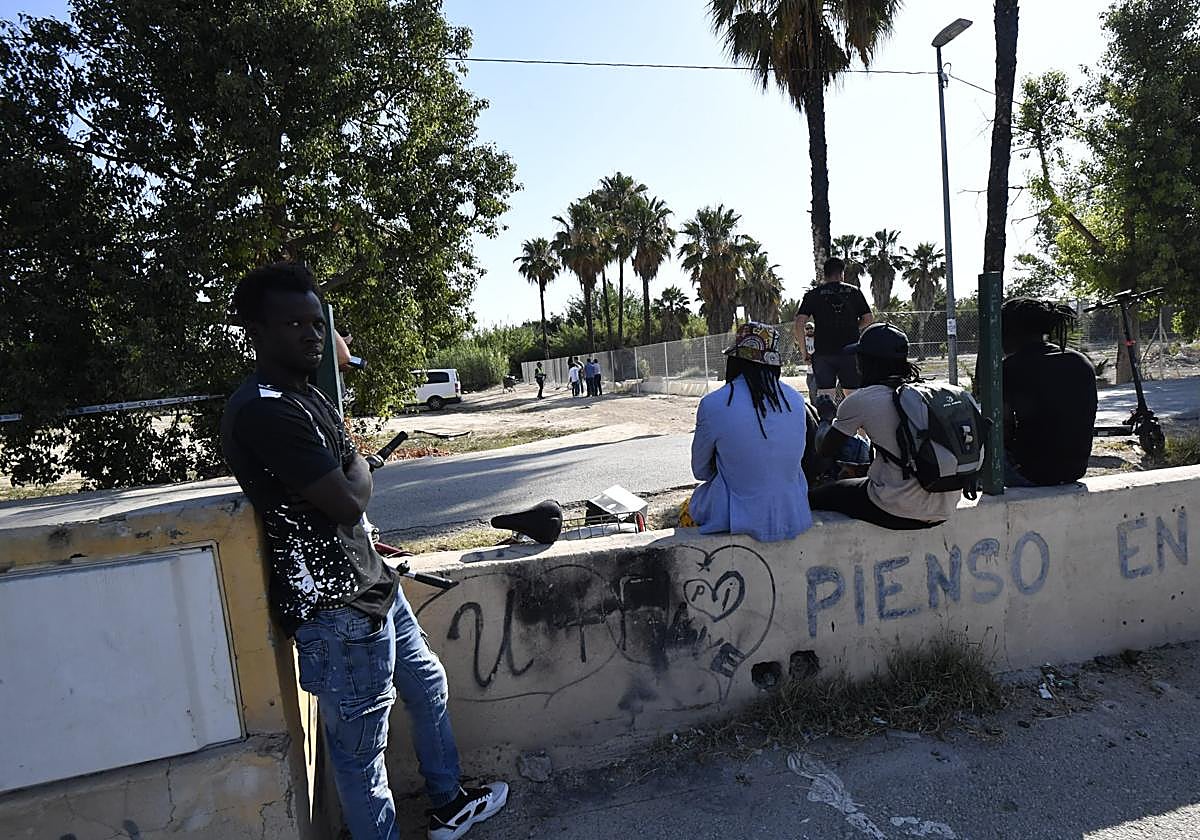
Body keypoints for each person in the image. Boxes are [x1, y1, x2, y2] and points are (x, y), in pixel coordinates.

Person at [220, 262, 507, 840]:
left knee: (427, 684)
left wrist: (350, 468)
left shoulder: (307, 395)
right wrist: (354, 466)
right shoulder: (264, 409)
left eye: (317, 323)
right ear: (257, 329)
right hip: (334, 604)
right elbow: (349, 500)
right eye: (293, 323)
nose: (311, 334)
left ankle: (447, 802)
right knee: (360, 752)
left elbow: (349, 482)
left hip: (370, 581)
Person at [808, 322, 958, 529]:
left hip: (897, 509)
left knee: (818, 496)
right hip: (945, 508)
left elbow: (825, 449)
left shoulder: (862, 399)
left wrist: (826, 417)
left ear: (865, 361)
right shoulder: (932, 393)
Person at [684, 322, 813, 542]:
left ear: (734, 361)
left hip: (736, 519)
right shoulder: (795, 399)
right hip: (794, 514)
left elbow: (701, 471)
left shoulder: (714, 404)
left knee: (691, 506)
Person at [1000, 297, 1097, 486]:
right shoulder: (1079, 360)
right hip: (1074, 470)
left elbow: (1002, 427)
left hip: (1030, 473)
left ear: (1010, 332)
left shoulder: (1010, 368)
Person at [794, 257, 873, 400]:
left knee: (826, 396)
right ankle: (854, 421)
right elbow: (868, 318)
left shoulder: (813, 294)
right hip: (850, 352)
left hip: (824, 353)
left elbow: (799, 322)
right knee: (853, 395)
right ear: (842, 273)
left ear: (825, 274)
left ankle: (827, 420)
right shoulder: (854, 292)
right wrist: (853, 327)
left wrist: (804, 352)